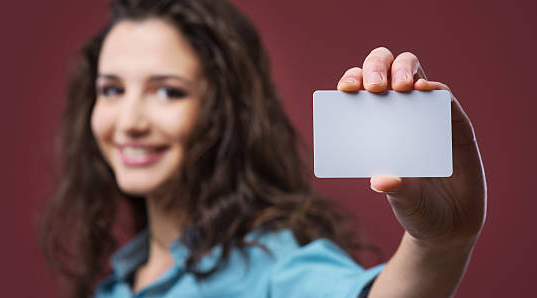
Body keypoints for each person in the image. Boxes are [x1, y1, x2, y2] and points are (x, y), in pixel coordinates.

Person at [41, 0, 487, 297]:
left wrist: (438, 245)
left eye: (168, 92)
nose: (130, 122)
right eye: (112, 90)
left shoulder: (271, 266)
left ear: (224, 111)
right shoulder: (115, 285)